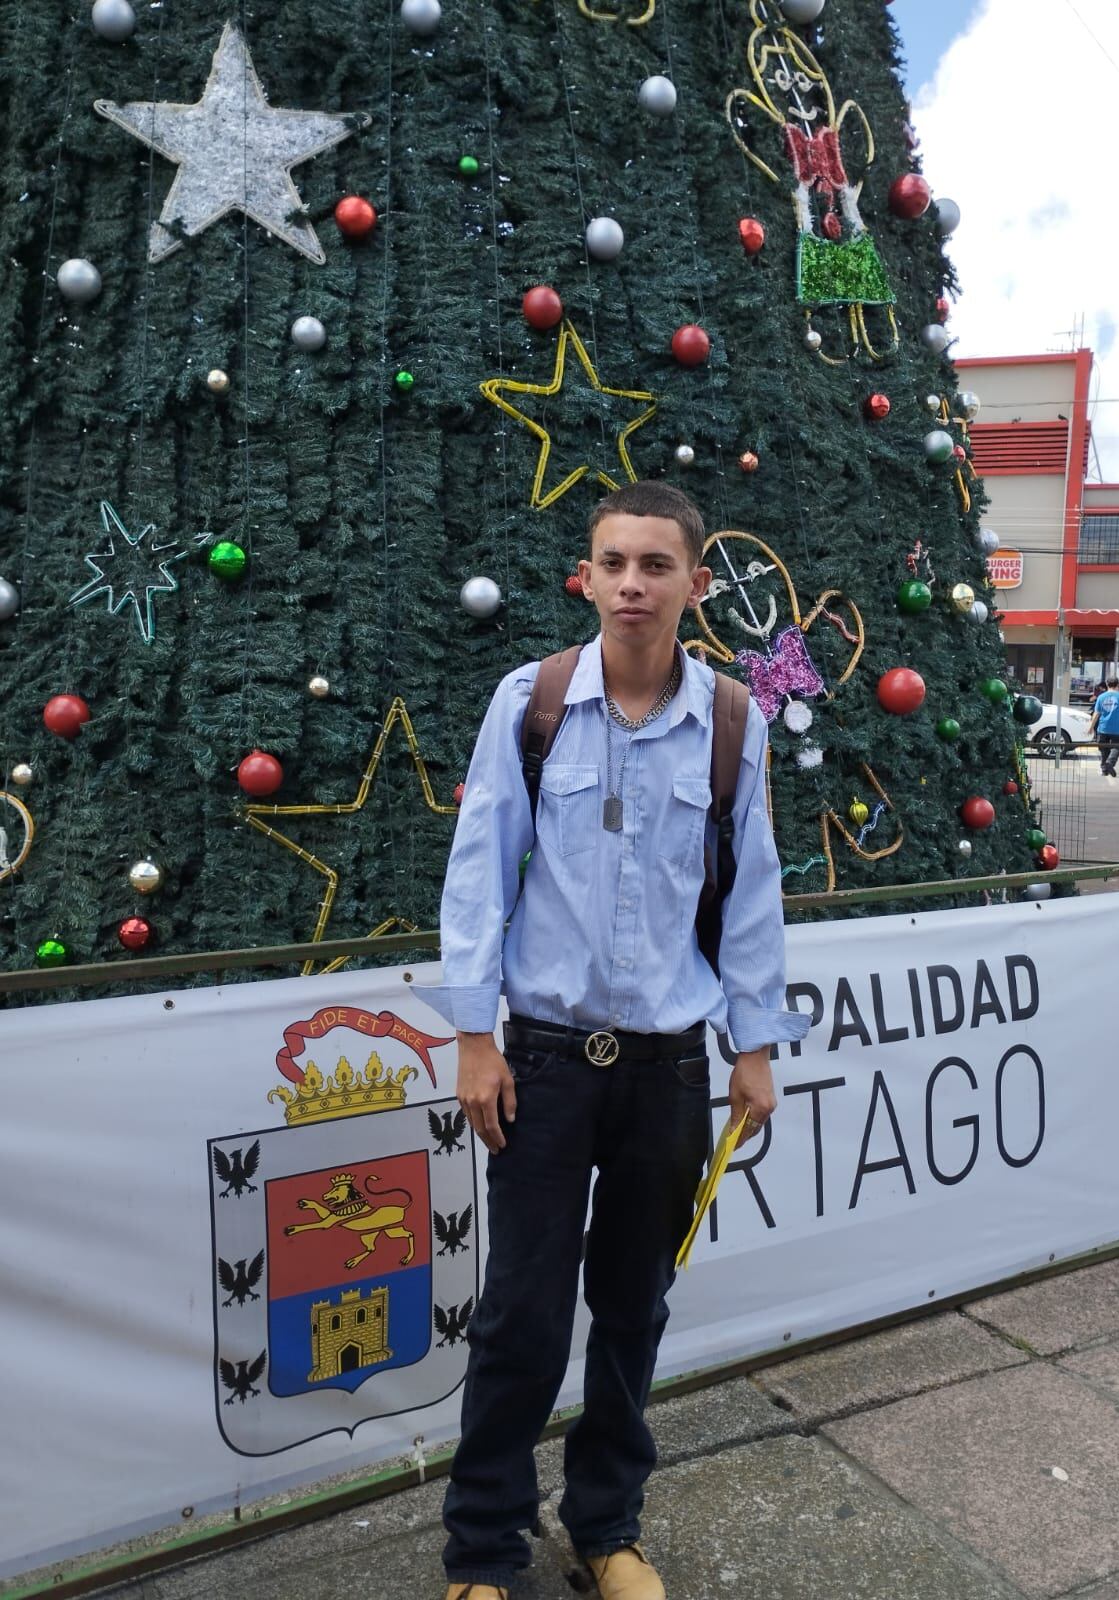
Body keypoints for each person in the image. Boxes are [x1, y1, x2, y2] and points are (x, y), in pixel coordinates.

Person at [416, 481, 809, 1600]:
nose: (631, 583)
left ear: (692, 582)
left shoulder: (734, 721)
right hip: (539, 1060)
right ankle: (484, 1547)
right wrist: (472, 1034)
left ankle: (605, 1528)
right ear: (585, 576)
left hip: (666, 1071)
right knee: (521, 1317)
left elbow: (751, 897)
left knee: (632, 1309)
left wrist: (753, 1044)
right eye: (611, 562)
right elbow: (477, 871)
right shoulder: (531, 702)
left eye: (655, 564)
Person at [1090, 676, 1119, 778]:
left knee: (1104, 749)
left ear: (1107, 684)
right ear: (1117, 685)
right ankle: (1110, 763)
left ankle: (1104, 769)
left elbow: (1096, 713)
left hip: (1103, 727)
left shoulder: (1101, 697)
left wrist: (1091, 727)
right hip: (1117, 728)